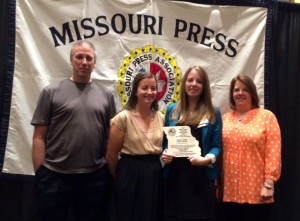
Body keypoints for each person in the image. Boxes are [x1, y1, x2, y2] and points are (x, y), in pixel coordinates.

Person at [31, 40, 116, 221]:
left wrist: (107, 170)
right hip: (54, 176)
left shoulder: (106, 96)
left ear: (94, 63)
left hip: (93, 178)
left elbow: (110, 138)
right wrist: (41, 172)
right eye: (79, 57)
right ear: (71, 60)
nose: (84, 62)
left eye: (88, 58)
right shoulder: (50, 92)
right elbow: (39, 136)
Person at [162, 65, 222, 221]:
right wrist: (165, 154)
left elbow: (216, 146)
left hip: (201, 179)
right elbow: (166, 142)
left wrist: (207, 159)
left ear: (204, 86)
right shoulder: (172, 110)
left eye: (199, 81)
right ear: (184, 83)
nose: (194, 84)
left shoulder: (213, 112)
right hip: (175, 179)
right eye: (190, 80)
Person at [221, 74, 281, 221]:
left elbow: (273, 152)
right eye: (236, 90)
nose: (240, 93)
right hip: (228, 191)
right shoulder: (225, 119)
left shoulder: (266, 117)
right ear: (231, 94)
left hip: (257, 192)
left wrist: (269, 184)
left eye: (245, 90)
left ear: (252, 93)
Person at [106, 72, 164, 221]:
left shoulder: (161, 117)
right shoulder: (123, 118)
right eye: (144, 88)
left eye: (153, 88)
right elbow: (111, 155)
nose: (149, 92)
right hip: (129, 172)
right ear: (136, 91)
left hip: (154, 173)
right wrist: (121, 178)